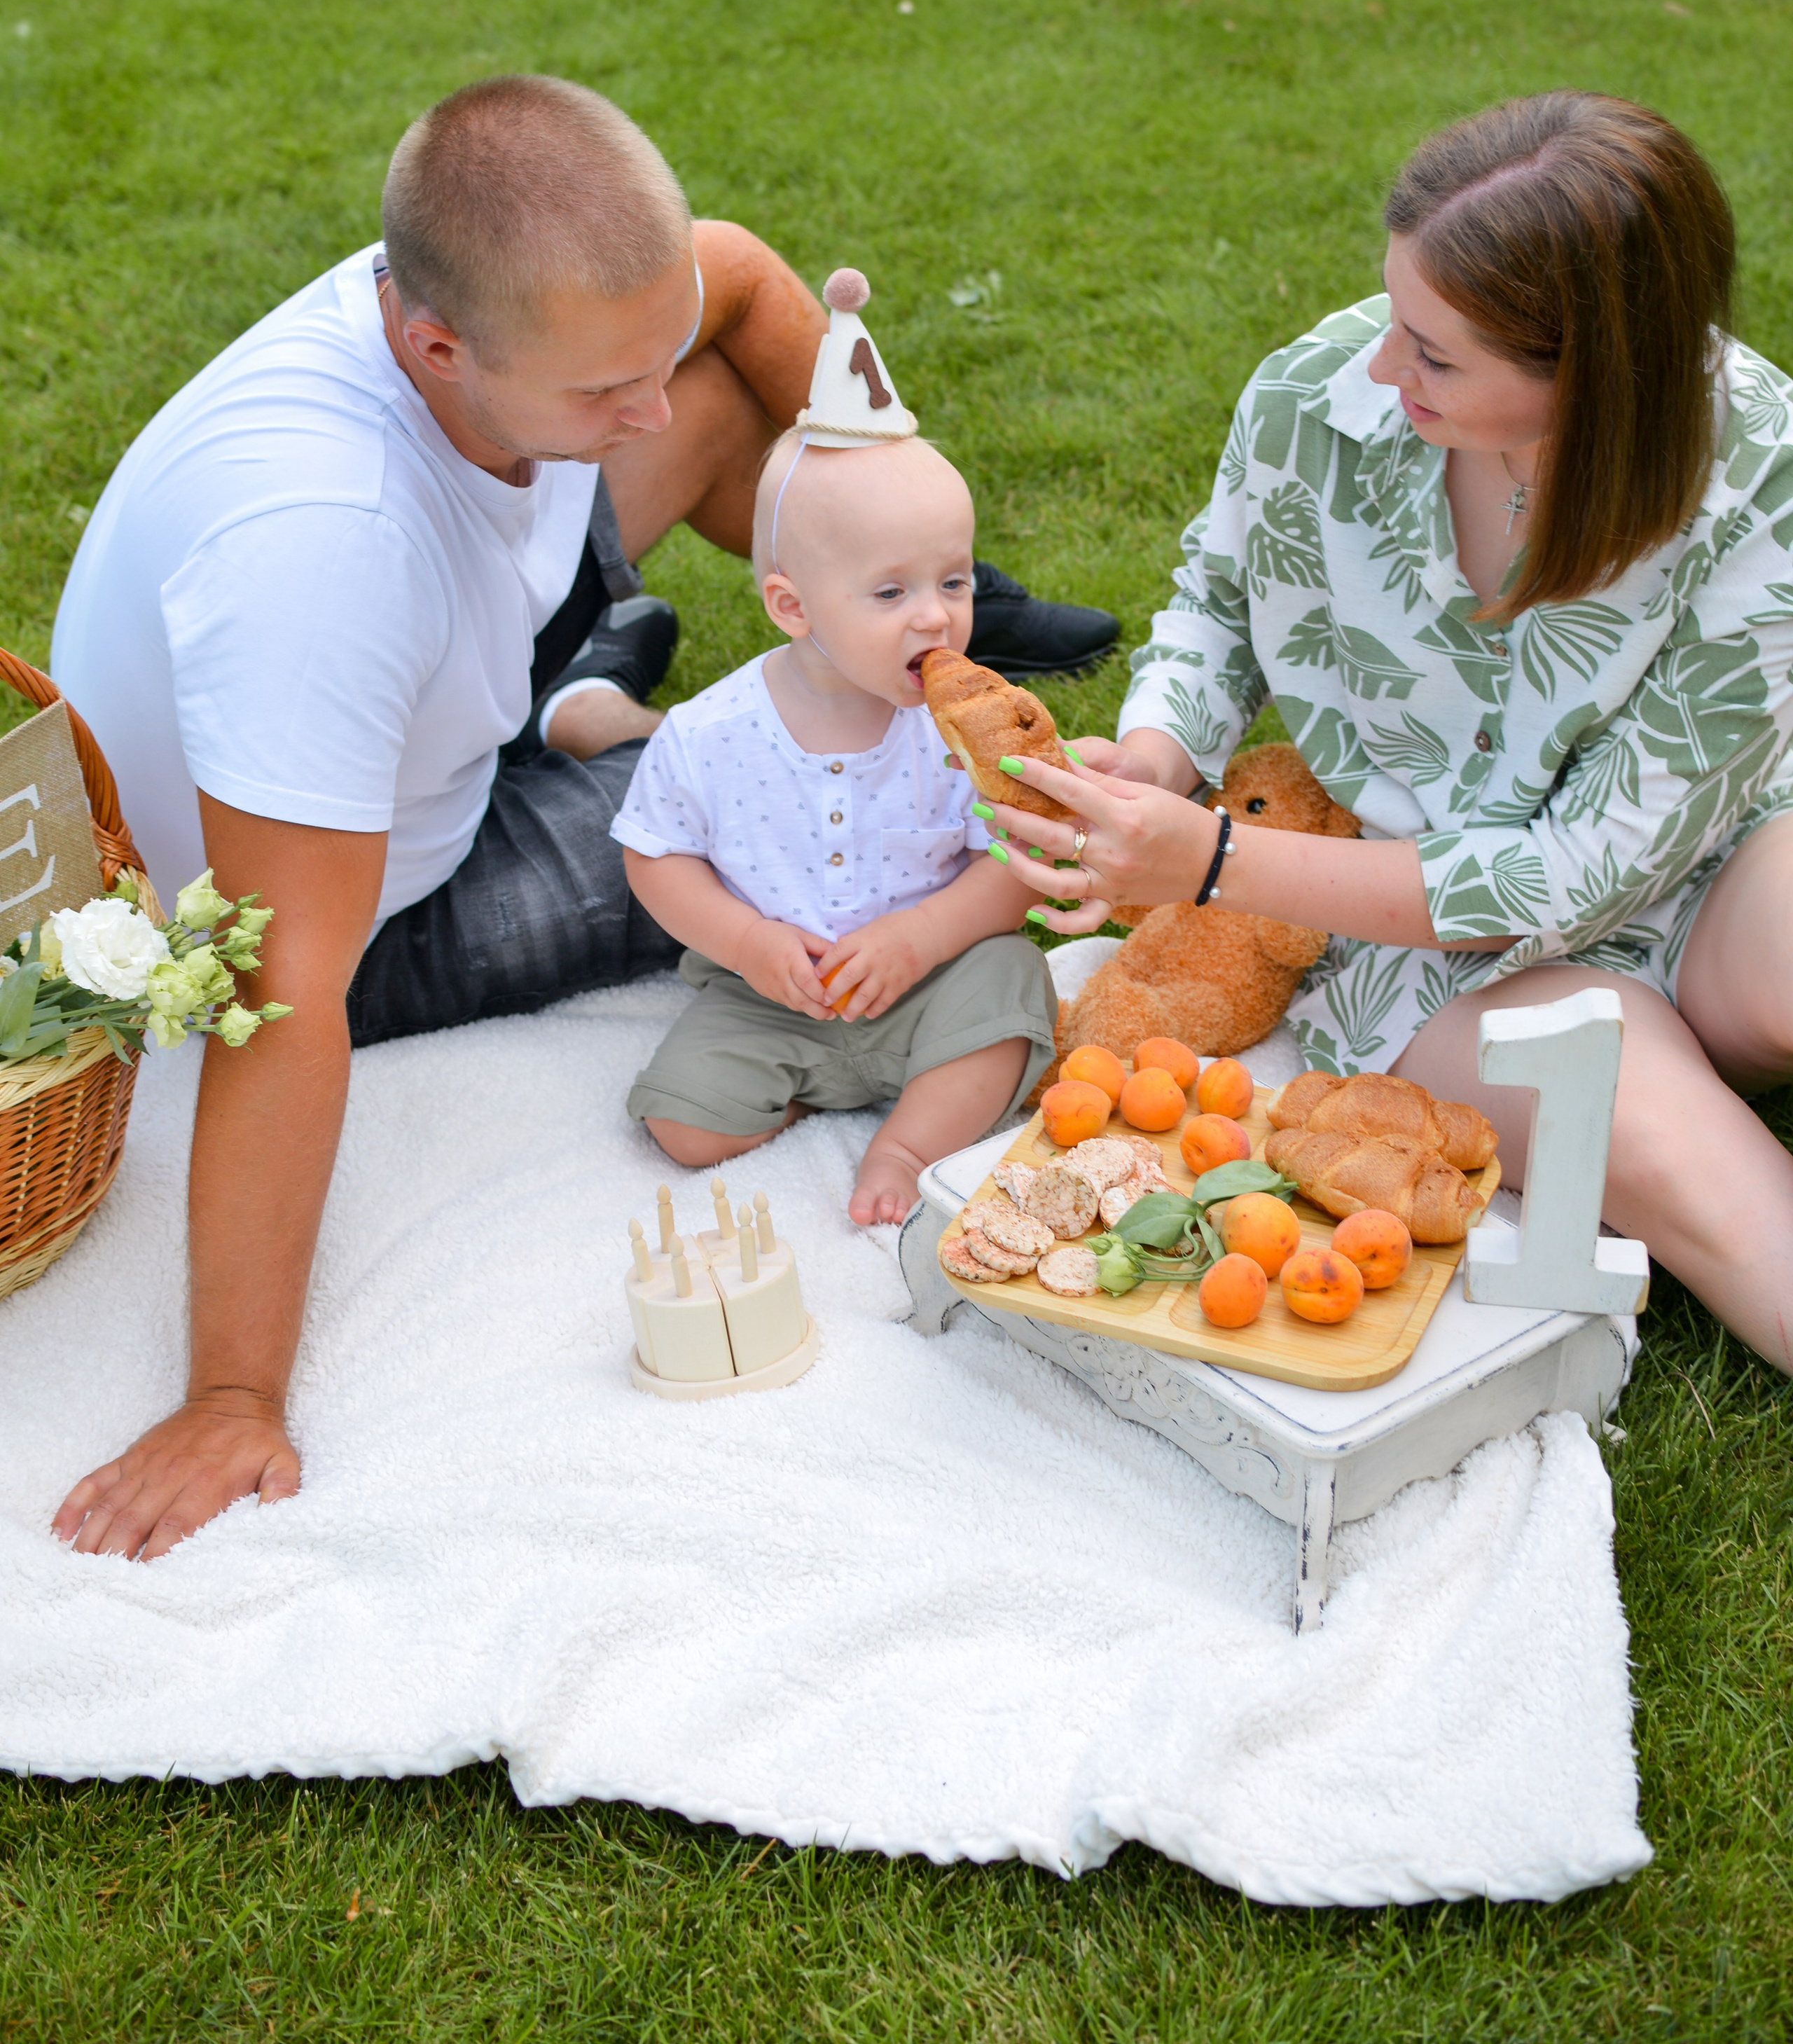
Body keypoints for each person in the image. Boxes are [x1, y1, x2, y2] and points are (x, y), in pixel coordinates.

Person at [46, 75, 1116, 1561]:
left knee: (751, 394)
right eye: (605, 391)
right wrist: (232, 1393)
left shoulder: (531, 333)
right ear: (434, 342)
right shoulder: (320, 548)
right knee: (822, 814)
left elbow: (731, 278)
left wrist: (923, 593)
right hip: (385, 882)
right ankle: (620, 686)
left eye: (648, 352)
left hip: (443, 668)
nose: (651, 413)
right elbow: (278, 985)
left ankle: (781, 637)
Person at [990, 92, 1793, 1375]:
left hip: (1709, 858)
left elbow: (1578, 871)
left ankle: (1694, 1053)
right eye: (1394, 315)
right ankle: (1664, 1099)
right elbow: (1217, 607)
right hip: (1427, 945)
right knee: (1698, 1182)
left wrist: (1207, 863)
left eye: (1433, 353)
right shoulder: (1321, 395)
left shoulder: (1761, 465)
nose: (1380, 367)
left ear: (1590, 378)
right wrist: (1159, 759)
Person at [617, 283, 1055, 1226]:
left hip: (934, 976)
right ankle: (813, 1083)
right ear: (793, 606)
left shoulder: (966, 731)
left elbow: (1018, 860)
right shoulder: (712, 734)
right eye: (890, 593)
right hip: (775, 990)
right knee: (681, 1127)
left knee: (1012, 993)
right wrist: (747, 942)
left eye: (953, 580)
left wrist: (924, 937)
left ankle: (905, 1146)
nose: (937, 616)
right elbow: (654, 853)